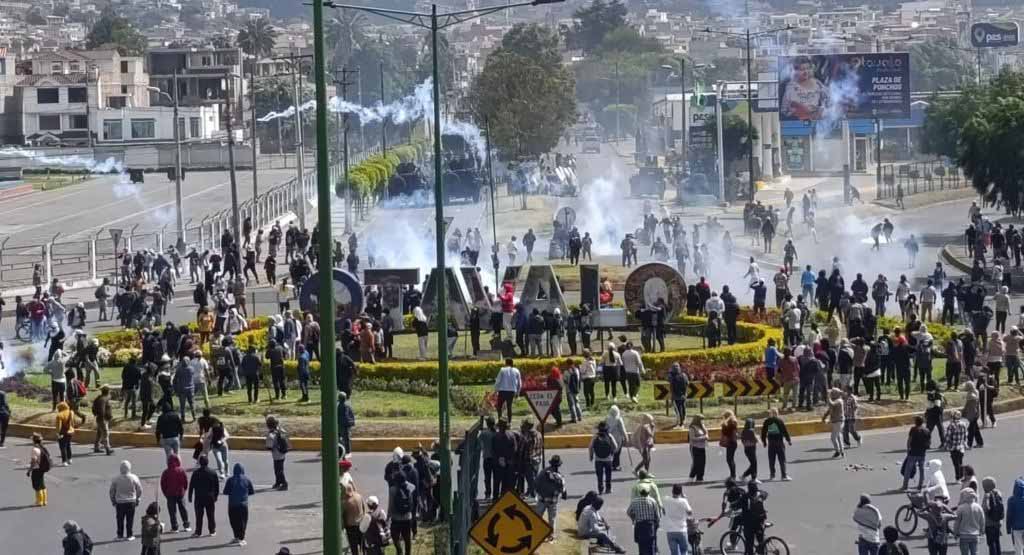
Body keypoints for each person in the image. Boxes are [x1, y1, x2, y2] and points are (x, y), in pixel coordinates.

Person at [109, 460, 144, 541]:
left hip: (120, 502)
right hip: (131, 501)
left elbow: (112, 491)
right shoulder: (134, 477)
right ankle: (129, 535)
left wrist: (113, 500)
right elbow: (139, 489)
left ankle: (120, 535)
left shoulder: (116, 479)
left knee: (120, 519)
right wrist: (138, 498)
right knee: (130, 519)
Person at [535, 455, 567, 539]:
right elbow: (563, 489)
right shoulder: (559, 477)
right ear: (558, 465)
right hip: (553, 500)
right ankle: (551, 535)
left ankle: (536, 532)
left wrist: (539, 492)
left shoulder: (543, 472)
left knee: (537, 517)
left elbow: (536, 483)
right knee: (552, 519)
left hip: (542, 499)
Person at [223, 463, 255, 546]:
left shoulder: (230, 480)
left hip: (232, 505)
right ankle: (241, 538)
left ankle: (236, 536)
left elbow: (225, 492)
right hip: (243, 505)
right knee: (242, 522)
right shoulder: (247, 479)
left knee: (233, 522)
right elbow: (251, 492)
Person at [188, 455, 219, 537]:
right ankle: (212, 531)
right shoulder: (212, 472)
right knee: (211, 515)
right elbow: (216, 486)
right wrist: (216, 496)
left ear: (200, 463)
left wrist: (190, 496)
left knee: (199, 515)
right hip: (210, 497)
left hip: (199, 497)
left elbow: (191, 485)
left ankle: (198, 532)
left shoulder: (196, 473)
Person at [160, 454, 191, 533]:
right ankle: (186, 525)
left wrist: (166, 494)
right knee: (183, 509)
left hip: (170, 494)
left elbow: (163, 484)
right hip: (180, 493)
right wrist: (184, 491)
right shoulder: (181, 471)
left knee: (172, 511)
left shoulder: (166, 472)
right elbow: (185, 482)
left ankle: (175, 527)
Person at [389, 470, 417, 555]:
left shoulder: (392, 489)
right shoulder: (410, 487)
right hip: (407, 517)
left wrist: (388, 516)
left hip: (396, 519)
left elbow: (391, 505)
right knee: (407, 539)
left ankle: (399, 551)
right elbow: (414, 487)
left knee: (395, 537)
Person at [761, 409, 792, 481]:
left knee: (771, 459)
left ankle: (772, 475)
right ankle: (784, 476)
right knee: (782, 459)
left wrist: (764, 442)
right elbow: (784, 431)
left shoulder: (767, 421)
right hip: (779, 442)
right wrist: (788, 440)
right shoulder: (779, 420)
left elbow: (763, 432)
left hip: (771, 443)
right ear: (776, 413)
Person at [664, 484, 693, 555]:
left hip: (670, 530)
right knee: (684, 551)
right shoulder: (683, 501)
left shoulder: (666, 499)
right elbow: (690, 512)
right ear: (680, 492)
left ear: (672, 491)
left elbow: (663, 510)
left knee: (674, 553)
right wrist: (685, 498)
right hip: (681, 530)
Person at [590, 422, 618, 495]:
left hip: (598, 459)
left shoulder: (595, 436)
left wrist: (591, 456)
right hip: (608, 459)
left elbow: (590, 447)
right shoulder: (609, 435)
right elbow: (615, 446)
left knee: (599, 475)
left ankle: (600, 489)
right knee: (608, 474)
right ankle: (608, 489)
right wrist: (612, 453)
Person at [740, 481, 768, 555]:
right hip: (760, 520)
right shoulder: (760, 493)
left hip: (749, 523)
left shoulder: (745, 496)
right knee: (761, 541)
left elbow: (738, 505)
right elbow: (765, 494)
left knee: (749, 543)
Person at [955, 488, 985, 555]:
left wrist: (955, 533)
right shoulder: (978, 507)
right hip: (975, 535)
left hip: (964, 535)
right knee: (975, 553)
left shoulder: (961, 508)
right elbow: (982, 520)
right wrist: (982, 531)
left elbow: (957, 522)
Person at [265, 415, 289, 490]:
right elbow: (286, 438)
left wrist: (269, 446)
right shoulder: (281, 430)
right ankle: (278, 482)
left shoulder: (272, 433)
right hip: (282, 452)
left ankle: (284, 483)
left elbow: (269, 445)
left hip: (277, 453)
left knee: (278, 470)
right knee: (278, 469)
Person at [493, 358, 521, 422]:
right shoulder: (517, 370)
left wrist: (495, 390)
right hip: (512, 391)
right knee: (509, 407)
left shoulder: (502, 370)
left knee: (499, 406)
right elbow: (519, 383)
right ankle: (509, 422)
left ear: (506, 363)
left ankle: (500, 420)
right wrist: (518, 392)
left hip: (502, 391)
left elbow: (498, 381)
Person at [981, 477, 1004, 555]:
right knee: (997, 542)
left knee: (991, 543)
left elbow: (985, 508)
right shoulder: (998, 493)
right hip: (997, 522)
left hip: (989, 523)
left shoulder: (987, 495)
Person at [27, 433, 50, 506]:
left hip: (36, 469)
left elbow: (33, 461)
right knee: (42, 484)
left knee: (37, 486)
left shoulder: (34, 449)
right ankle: (44, 501)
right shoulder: (42, 447)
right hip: (42, 468)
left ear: (34, 441)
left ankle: (39, 502)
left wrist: (29, 470)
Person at [821, 388, 845, 458]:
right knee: (838, 436)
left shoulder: (839, 401)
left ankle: (838, 451)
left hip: (838, 421)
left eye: (832, 393)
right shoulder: (835, 400)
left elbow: (832, 404)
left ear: (836, 394)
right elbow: (830, 410)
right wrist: (824, 417)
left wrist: (828, 396)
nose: (831, 394)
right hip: (836, 421)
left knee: (833, 437)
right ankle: (841, 451)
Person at [91, 384, 114, 455]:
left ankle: (96, 447)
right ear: (107, 391)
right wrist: (103, 417)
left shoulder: (100, 398)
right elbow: (102, 410)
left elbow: (93, 408)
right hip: (103, 419)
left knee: (99, 433)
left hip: (101, 418)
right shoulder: (103, 399)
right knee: (105, 433)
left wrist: (96, 414)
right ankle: (108, 448)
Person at [946, 410, 969, 481]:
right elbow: (965, 435)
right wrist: (964, 443)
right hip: (961, 447)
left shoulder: (951, 426)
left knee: (956, 464)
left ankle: (958, 477)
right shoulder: (963, 424)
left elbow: (948, 437)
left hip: (953, 447)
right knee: (960, 462)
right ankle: (962, 476)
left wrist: (947, 445)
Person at [606, 405, 628, 471]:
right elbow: (623, 429)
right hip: (618, 438)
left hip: (609, 437)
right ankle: (616, 465)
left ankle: (610, 465)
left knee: (611, 452)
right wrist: (626, 437)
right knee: (617, 452)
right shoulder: (619, 419)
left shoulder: (607, 419)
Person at [1007, 478, 1024, 555]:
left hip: (1016, 527)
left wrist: (1008, 528)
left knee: (1018, 548)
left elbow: (1009, 514)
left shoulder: (1011, 500)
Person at [739, 417, 760, 482]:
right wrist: (757, 436)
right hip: (752, 449)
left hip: (746, 449)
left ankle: (745, 476)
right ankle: (752, 477)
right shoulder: (751, 431)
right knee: (754, 464)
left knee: (753, 464)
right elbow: (756, 440)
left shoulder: (743, 431)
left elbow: (742, 441)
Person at [55, 400, 75, 465]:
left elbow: (59, 426)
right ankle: (70, 459)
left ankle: (64, 461)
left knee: (62, 447)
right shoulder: (71, 412)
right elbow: (72, 423)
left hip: (63, 432)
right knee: (68, 445)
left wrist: (58, 433)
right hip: (70, 431)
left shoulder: (59, 415)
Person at [720, 411, 739, 479]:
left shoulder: (730, 423)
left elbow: (730, 433)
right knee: (730, 459)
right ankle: (733, 474)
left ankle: (733, 475)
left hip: (731, 442)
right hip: (732, 442)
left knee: (729, 459)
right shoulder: (733, 422)